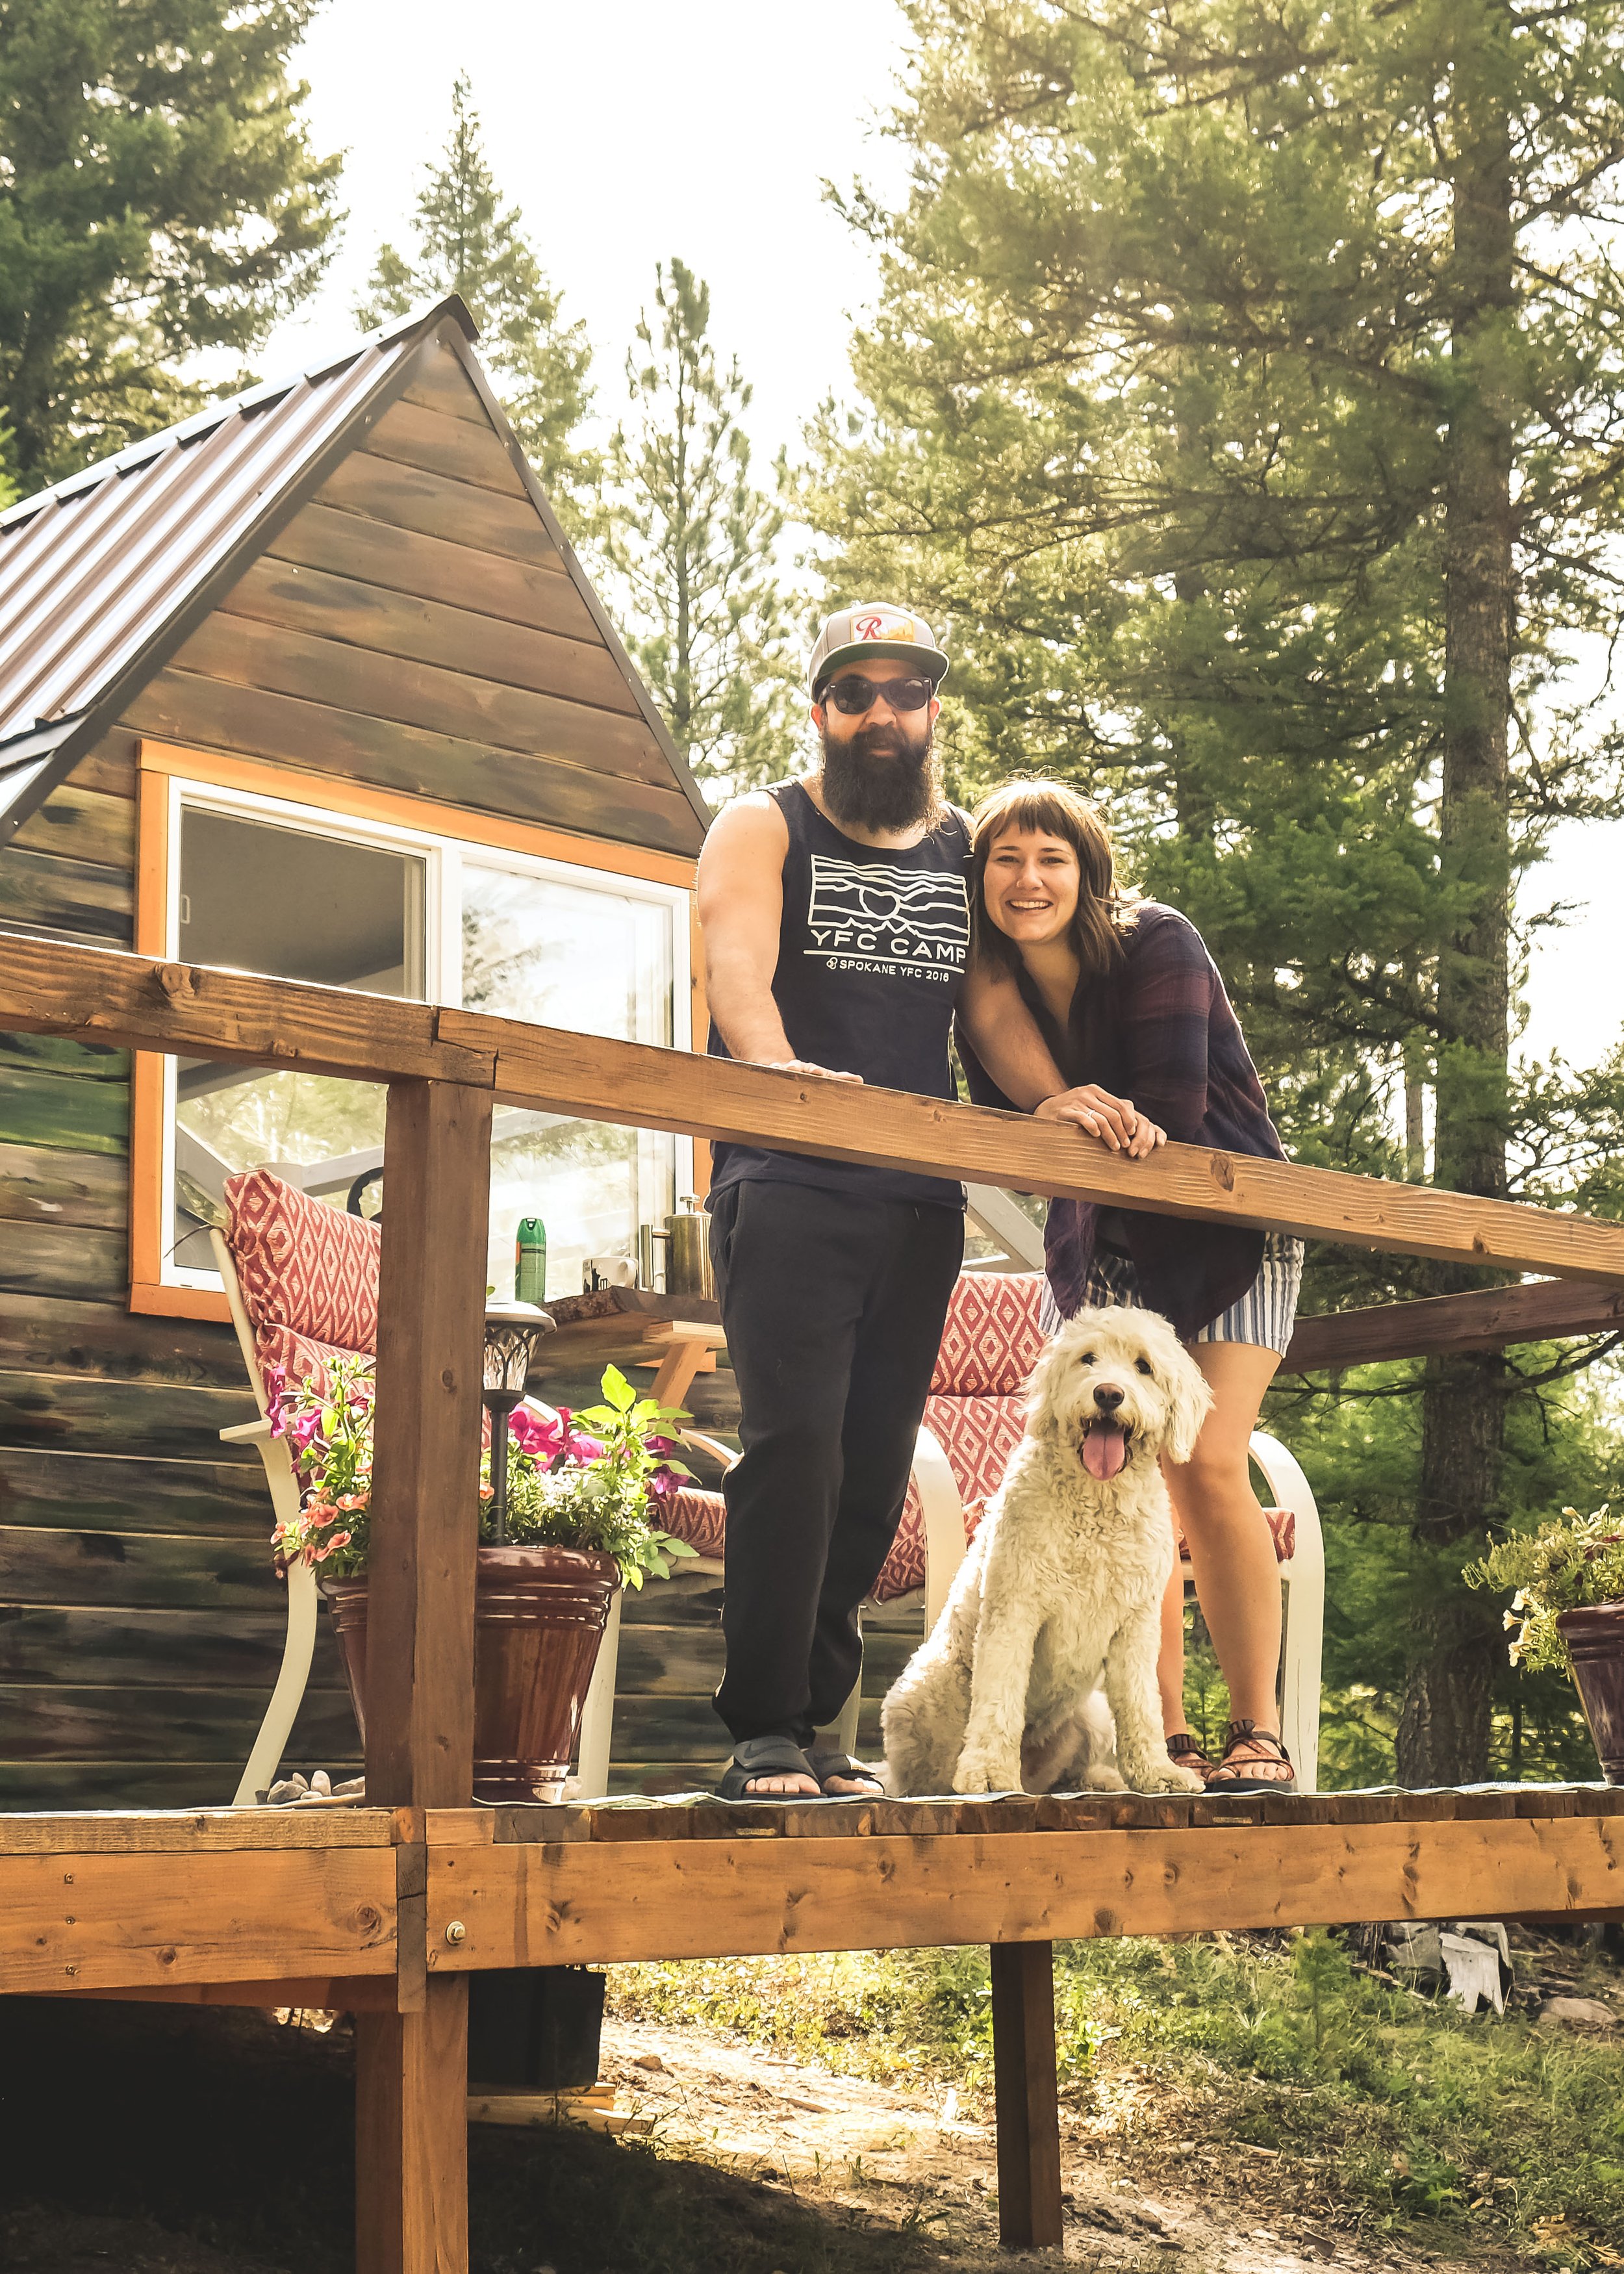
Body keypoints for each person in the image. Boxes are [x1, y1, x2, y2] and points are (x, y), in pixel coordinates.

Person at [958, 778, 1304, 1793]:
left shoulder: (1158, 941)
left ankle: (1258, 1732)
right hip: (1104, 1239)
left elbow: (1168, 1113)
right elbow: (1023, 1133)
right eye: (1006, 861)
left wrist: (1072, 1119)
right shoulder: (990, 987)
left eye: (1051, 859)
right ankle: (1165, 1739)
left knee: (1207, 1459)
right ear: (980, 880)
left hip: (1224, 1223)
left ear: (1086, 870)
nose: (1028, 880)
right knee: (1124, 1482)